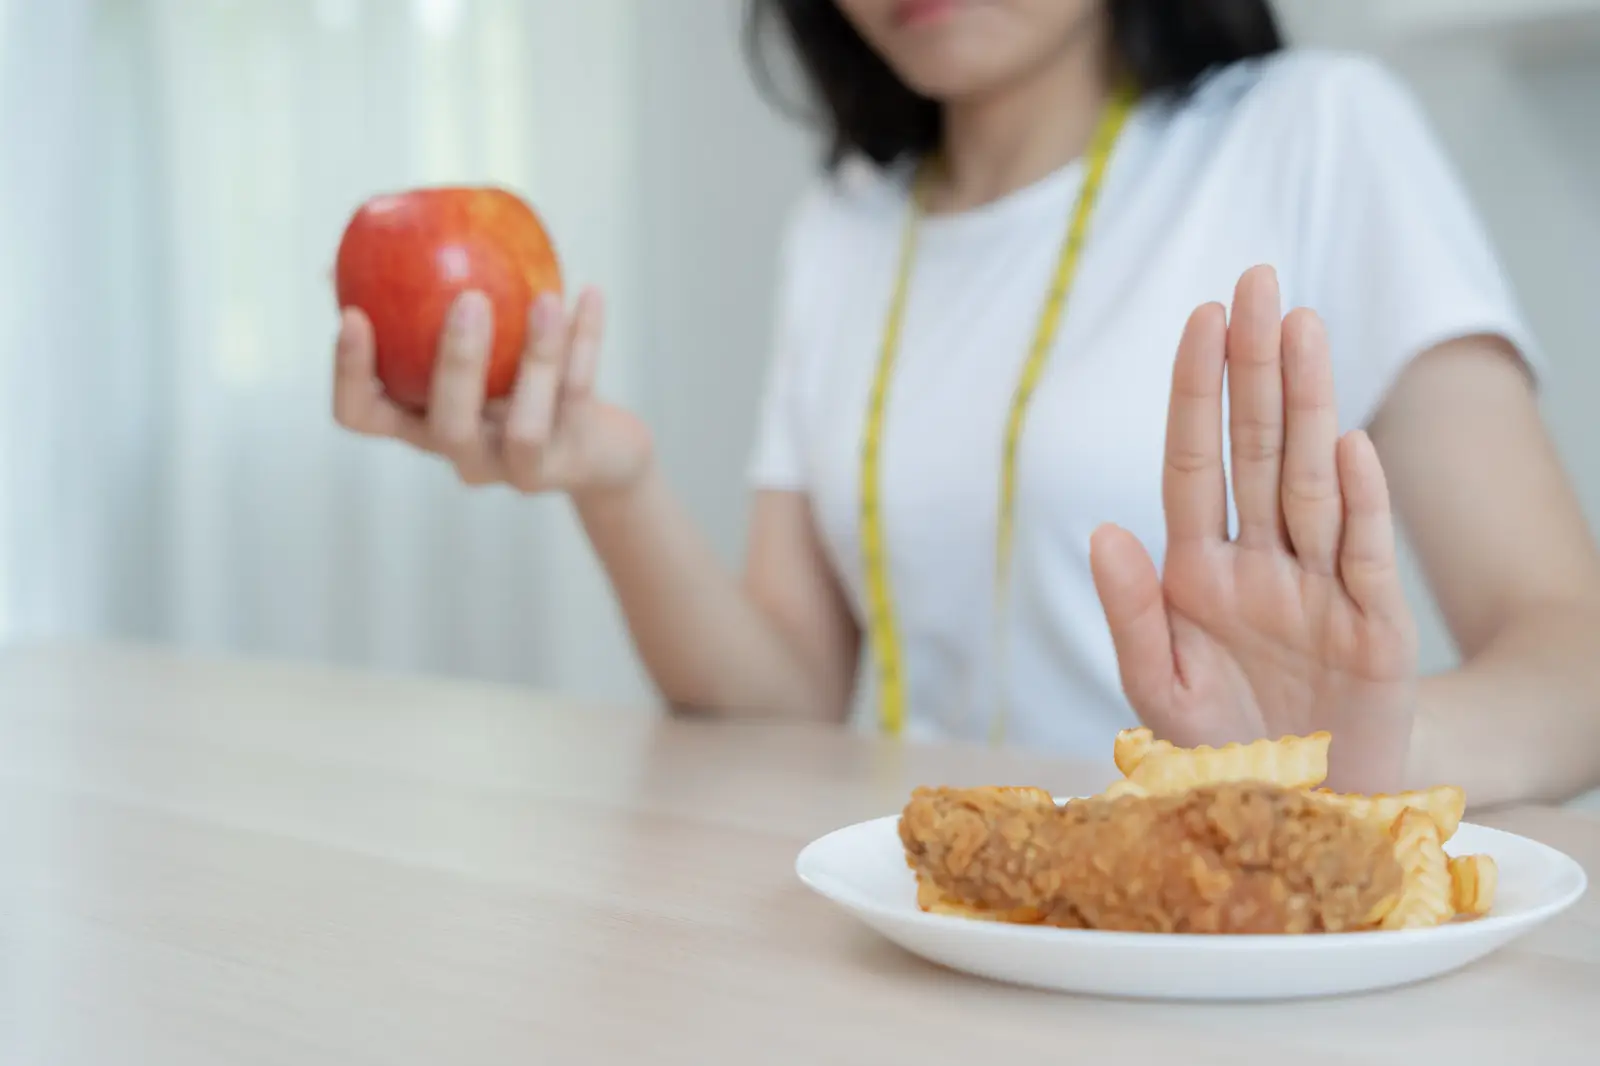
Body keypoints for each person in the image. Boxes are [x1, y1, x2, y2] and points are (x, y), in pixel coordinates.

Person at [331, 0, 1600, 806]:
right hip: (937, 932)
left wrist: (1369, 755)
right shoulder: (844, 228)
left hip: (1219, 951)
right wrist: (611, 482)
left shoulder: (1314, 130)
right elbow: (779, 697)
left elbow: (1575, 654)